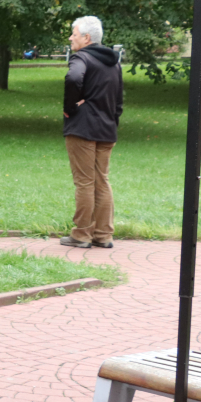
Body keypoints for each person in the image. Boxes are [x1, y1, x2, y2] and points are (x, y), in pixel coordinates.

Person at [61, 15, 122, 248]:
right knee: (102, 181)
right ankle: (103, 235)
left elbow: (73, 78)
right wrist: (112, 120)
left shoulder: (81, 58)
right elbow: (118, 100)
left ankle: (81, 235)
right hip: (107, 128)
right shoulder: (114, 62)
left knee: (85, 182)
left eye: (74, 34)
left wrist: (70, 107)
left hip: (83, 129)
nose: (71, 38)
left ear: (86, 38)